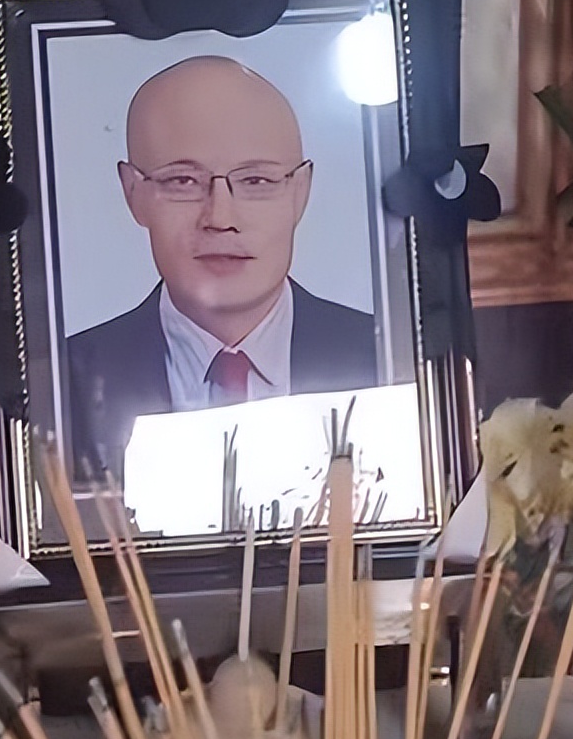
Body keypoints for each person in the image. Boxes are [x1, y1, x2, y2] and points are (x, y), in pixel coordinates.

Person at [67, 55, 378, 476]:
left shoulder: (386, 357)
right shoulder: (65, 384)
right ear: (133, 193)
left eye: (256, 181)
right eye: (183, 181)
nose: (220, 218)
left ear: (301, 192)